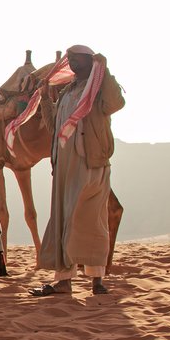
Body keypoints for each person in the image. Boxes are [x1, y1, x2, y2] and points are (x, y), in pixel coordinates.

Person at [29, 45, 125, 297]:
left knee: (93, 220)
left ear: (89, 61)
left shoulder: (98, 89)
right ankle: (63, 281)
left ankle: (97, 281)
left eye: (76, 58)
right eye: (69, 59)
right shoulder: (68, 93)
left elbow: (116, 103)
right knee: (64, 219)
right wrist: (47, 103)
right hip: (64, 167)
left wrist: (106, 72)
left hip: (91, 163)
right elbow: (55, 129)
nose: (71, 63)